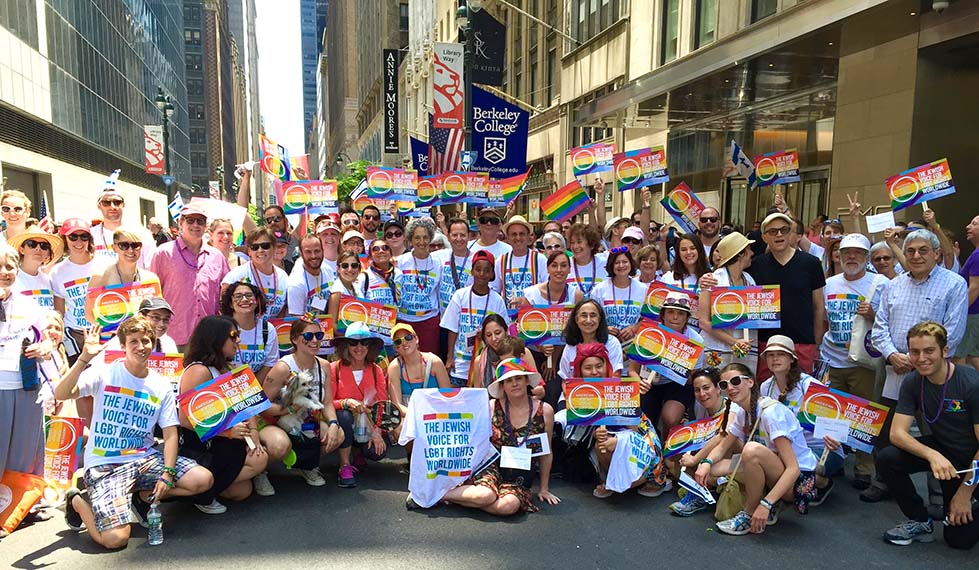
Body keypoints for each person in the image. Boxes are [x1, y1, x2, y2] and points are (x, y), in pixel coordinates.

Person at [57, 317, 213, 549]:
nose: (141, 347)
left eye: (146, 341)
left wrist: (167, 473)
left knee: (203, 479)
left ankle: (140, 496)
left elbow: (171, 433)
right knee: (115, 540)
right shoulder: (105, 372)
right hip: (105, 464)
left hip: (144, 459)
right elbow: (62, 393)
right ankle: (78, 500)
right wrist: (84, 358)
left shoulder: (160, 385)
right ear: (123, 346)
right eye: (134, 342)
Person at [877, 321, 979, 549]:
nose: (921, 358)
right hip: (943, 453)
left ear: (945, 351)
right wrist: (933, 455)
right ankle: (920, 520)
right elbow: (897, 434)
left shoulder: (971, 384)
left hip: (972, 462)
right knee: (887, 458)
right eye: (915, 351)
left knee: (959, 541)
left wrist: (964, 493)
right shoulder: (913, 381)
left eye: (929, 350)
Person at [696, 363, 819, 536]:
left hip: (798, 482)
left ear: (751, 382)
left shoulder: (771, 413)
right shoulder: (742, 411)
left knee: (751, 450)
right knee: (713, 470)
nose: (730, 388)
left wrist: (765, 505)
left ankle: (751, 510)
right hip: (775, 467)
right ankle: (762, 497)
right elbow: (723, 445)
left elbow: (793, 468)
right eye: (724, 385)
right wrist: (705, 463)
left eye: (735, 381)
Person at [440, 357, 559, 515]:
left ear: (526, 381)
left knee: (507, 507)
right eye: (508, 380)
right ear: (502, 386)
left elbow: (546, 453)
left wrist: (544, 489)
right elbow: (472, 440)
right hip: (490, 466)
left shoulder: (545, 411)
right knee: (485, 495)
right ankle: (436, 496)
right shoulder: (491, 407)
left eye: (518, 378)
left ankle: (465, 499)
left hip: (520, 474)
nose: (514, 384)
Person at [179, 315, 268, 514]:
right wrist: (226, 433)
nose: (238, 341)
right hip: (205, 443)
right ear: (216, 339)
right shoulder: (199, 371)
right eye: (233, 336)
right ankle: (197, 492)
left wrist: (254, 435)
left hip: (228, 441)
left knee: (242, 491)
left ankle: (209, 486)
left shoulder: (230, 367)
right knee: (257, 464)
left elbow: (248, 407)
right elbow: (185, 420)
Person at [820, 234, 886, 489]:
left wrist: (875, 313)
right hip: (832, 358)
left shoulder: (880, 283)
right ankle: (832, 460)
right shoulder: (830, 284)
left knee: (864, 416)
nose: (851, 257)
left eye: (858, 253)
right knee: (832, 416)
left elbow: (891, 319)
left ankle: (863, 467)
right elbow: (825, 319)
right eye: (847, 252)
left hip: (863, 362)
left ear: (866, 258)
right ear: (838, 255)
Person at [872, 229, 968, 396]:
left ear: (936, 253)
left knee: (929, 421)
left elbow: (953, 333)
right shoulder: (893, 285)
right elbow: (879, 327)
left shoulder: (954, 284)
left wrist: (914, 358)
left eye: (923, 250)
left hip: (931, 371)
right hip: (891, 368)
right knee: (887, 421)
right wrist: (892, 354)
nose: (916, 256)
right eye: (910, 251)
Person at [255, 316, 345, 495]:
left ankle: (306, 464)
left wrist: (333, 424)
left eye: (319, 336)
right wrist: (289, 409)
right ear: (295, 339)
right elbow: (261, 406)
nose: (314, 341)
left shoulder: (324, 365)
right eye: (308, 336)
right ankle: (259, 472)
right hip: (274, 421)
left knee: (338, 435)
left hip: (307, 419)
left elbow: (326, 402)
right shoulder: (283, 368)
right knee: (279, 445)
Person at [0, 244, 53, 538]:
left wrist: (46, 347)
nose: (5, 273)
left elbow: (49, 336)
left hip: (26, 387)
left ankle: (21, 506)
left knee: (25, 449)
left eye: (9, 267)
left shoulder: (28, 303)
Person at [759, 335, 841, 505]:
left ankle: (822, 482)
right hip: (787, 446)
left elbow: (833, 418)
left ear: (791, 359)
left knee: (790, 468)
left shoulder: (809, 384)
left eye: (780, 354)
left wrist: (835, 438)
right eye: (770, 355)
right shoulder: (766, 386)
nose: (775, 359)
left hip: (820, 447)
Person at [747, 212, 826, 378]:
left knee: (800, 394)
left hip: (802, 343)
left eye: (784, 230)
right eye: (773, 231)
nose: (779, 235)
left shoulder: (811, 263)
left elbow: (819, 307)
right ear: (764, 237)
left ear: (792, 233)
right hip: (767, 344)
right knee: (768, 395)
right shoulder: (755, 266)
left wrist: (816, 342)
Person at [585, 344, 666, 499]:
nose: (594, 372)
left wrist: (618, 440)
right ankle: (610, 479)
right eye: (588, 367)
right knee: (600, 444)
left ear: (606, 367)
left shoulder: (621, 387)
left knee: (608, 444)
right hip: (606, 441)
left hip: (638, 442)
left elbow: (635, 433)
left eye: (599, 366)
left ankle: (645, 479)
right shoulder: (578, 392)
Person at [150, 205, 230, 350]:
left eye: (200, 221)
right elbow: (152, 295)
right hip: (173, 338)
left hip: (209, 337)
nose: (195, 225)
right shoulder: (163, 253)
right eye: (190, 220)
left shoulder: (217, 256)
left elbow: (225, 296)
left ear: (205, 226)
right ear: (180, 223)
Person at [629, 292, 704, 433]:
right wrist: (639, 382)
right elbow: (632, 369)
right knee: (643, 422)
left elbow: (694, 378)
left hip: (677, 385)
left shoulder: (695, 341)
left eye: (681, 314)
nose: (675, 317)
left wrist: (677, 370)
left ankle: (668, 449)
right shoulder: (648, 333)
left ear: (687, 317)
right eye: (670, 312)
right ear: (663, 315)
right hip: (649, 383)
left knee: (670, 417)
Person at [330, 322, 389, 488]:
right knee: (344, 415)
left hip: (367, 423)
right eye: (353, 342)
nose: (359, 347)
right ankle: (344, 465)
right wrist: (346, 402)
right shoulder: (334, 369)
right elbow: (327, 403)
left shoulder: (376, 370)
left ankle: (359, 453)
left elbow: (382, 405)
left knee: (378, 452)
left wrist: (376, 431)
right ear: (345, 345)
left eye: (364, 343)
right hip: (344, 421)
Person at [442, 250, 510, 386]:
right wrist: (450, 357)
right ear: (472, 271)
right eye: (478, 269)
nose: (482, 274)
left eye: (486, 270)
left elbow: (505, 331)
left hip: (487, 365)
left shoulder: (497, 300)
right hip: (460, 366)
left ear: (492, 274)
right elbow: (452, 329)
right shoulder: (460, 296)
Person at [668, 367, 728, 517]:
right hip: (711, 454)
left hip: (731, 457)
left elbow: (721, 437)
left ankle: (702, 494)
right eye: (697, 390)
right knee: (672, 460)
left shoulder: (730, 407)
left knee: (702, 467)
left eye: (706, 388)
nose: (702, 394)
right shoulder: (699, 406)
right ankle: (704, 492)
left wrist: (695, 458)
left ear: (718, 388)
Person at [698, 231, 758, 371]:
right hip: (717, 350)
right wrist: (734, 342)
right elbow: (704, 322)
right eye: (748, 250)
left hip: (745, 352)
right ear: (740, 254)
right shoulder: (713, 280)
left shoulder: (750, 280)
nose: (752, 254)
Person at [84, 229, 161, 326]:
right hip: (111, 337)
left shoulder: (151, 279)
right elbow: (89, 315)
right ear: (114, 247)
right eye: (124, 246)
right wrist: (111, 329)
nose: (130, 250)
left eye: (135, 245)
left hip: (142, 338)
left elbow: (158, 313)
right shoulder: (100, 277)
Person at [386, 323, 451, 425]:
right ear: (395, 348)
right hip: (409, 418)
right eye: (398, 341)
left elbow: (448, 397)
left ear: (416, 339)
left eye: (408, 337)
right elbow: (397, 405)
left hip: (437, 416)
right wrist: (421, 416)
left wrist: (432, 416)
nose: (404, 343)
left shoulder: (434, 362)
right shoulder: (395, 367)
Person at [51, 218, 96, 365]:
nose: (79, 242)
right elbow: (59, 311)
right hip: (74, 334)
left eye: (84, 237)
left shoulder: (104, 263)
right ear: (65, 239)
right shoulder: (57, 272)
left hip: (102, 331)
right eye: (73, 237)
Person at [395, 219, 443, 354]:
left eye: (425, 237)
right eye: (417, 238)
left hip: (429, 322)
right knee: (405, 359)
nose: (421, 242)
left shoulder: (438, 264)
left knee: (427, 360)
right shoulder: (401, 261)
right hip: (404, 320)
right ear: (410, 239)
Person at [220, 227, 289, 320]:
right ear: (249, 251)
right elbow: (223, 306)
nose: (260, 250)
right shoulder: (236, 275)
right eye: (254, 247)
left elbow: (284, 307)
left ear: (273, 248)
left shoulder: (283, 276)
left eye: (265, 246)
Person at [89, 174, 155, 267]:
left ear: (123, 204)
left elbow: (151, 268)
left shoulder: (142, 234)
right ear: (99, 206)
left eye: (117, 202)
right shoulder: (90, 236)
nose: (112, 207)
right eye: (106, 202)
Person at [220, 281, 277, 382]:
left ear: (257, 302)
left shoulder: (268, 329)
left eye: (249, 295)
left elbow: (269, 364)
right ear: (230, 304)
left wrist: (251, 389)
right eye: (238, 296)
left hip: (257, 386)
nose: (245, 299)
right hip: (227, 385)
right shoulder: (221, 328)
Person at [558, 298, 624, 381]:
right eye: (584, 316)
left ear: (599, 319)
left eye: (593, 315)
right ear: (576, 319)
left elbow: (615, 376)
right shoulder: (570, 345)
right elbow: (565, 380)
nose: (588, 320)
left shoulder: (612, 343)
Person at [468, 314, 538, 390]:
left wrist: (537, 391)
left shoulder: (523, 352)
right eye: (488, 335)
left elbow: (537, 383)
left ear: (506, 331)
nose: (494, 338)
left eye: (497, 333)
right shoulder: (479, 361)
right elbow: (478, 392)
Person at [592, 248, 645, 345]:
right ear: (611, 265)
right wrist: (604, 328)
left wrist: (633, 329)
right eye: (617, 262)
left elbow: (649, 319)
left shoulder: (642, 289)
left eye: (625, 262)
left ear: (631, 263)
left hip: (634, 344)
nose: (621, 265)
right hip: (606, 343)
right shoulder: (599, 289)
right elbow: (592, 317)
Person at [494, 215, 546, 310]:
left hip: (534, 317)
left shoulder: (540, 259)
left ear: (528, 237)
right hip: (508, 319)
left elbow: (548, 291)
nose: (518, 238)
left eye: (521, 234)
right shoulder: (500, 261)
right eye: (514, 234)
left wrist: (526, 301)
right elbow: (494, 292)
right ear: (508, 237)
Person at [9, 225, 62, 310]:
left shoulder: (48, 281)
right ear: (22, 250)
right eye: (32, 244)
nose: (38, 248)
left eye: (44, 246)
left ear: (48, 254)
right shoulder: (11, 279)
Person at [287, 234, 336, 316]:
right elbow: (296, 320)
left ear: (322, 250)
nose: (313, 256)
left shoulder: (328, 270)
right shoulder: (296, 284)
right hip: (306, 327)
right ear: (301, 254)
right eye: (308, 252)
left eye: (317, 251)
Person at [955, 214, 979, 369]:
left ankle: (961, 392)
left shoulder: (978, 256)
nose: (968, 227)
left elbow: (974, 288)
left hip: (970, 313)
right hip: (974, 313)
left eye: (974, 224)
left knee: (959, 357)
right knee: (973, 354)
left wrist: (959, 312)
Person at [566, 223, 608, 300]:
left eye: (579, 242)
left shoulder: (605, 264)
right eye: (572, 243)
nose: (575, 247)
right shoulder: (565, 264)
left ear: (591, 245)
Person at [662, 233, 709, 297]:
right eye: (684, 249)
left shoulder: (709, 278)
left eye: (692, 248)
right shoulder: (667, 278)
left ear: (699, 250)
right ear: (678, 253)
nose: (688, 252)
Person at [362, 238, 397, 306]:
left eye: (385, 248)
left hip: (397, 316)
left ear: (391, 253)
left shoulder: (398, 274)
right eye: (376, 249)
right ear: (370, 257)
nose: (381, 251)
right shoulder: (364, 277)